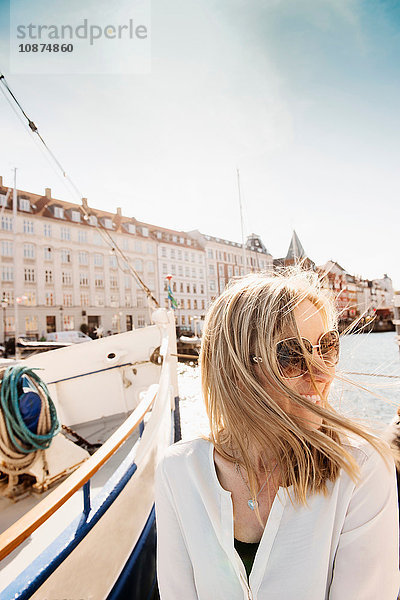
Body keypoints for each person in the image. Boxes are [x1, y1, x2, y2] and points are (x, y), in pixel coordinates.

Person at [155, 268, 399, 599]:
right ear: (236, 369)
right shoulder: (177, 470)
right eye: (291, 355)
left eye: (326, 347)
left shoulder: (361, 470)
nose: (321, 372)